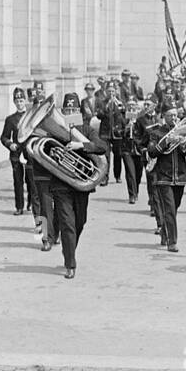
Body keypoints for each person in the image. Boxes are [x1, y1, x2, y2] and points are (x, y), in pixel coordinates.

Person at [48, 93, 109, 280]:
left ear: (79, 112)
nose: (71, 112)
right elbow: (47, 149)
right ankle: (70, 264)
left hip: (81, 185)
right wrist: (56, 152)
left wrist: (81, 145)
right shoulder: (55, 131)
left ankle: (69, 250)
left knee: (79, 223)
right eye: (67, 110)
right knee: (67, 224)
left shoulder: (87, 130)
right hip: (61, 183)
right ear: (63, 112)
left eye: (74, 110)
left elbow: (102, 147)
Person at [147, 105, 186, 254]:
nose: (173, 118)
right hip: (163, 177)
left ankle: (164, 233)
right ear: (163, 117)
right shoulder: (156, 133)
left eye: (175, 115)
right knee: (169, 210)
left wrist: (183, 143)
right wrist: (166, 141)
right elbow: (152, 152)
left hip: (180, 177)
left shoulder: (183, 132)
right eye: (170, 116)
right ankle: (172, 242)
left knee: (174, 208)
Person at [0, 88, 31, 216]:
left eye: (21, 100)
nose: (19, 103)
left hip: (29, 153)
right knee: (18, 181)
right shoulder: (10, 119)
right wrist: (9, 144)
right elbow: (4, 137)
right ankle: (19, 206)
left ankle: (30, 203)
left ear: (25, 101)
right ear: (14, 102)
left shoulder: (30, 117)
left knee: (30, 180)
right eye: (17, 101)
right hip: (16, 154)